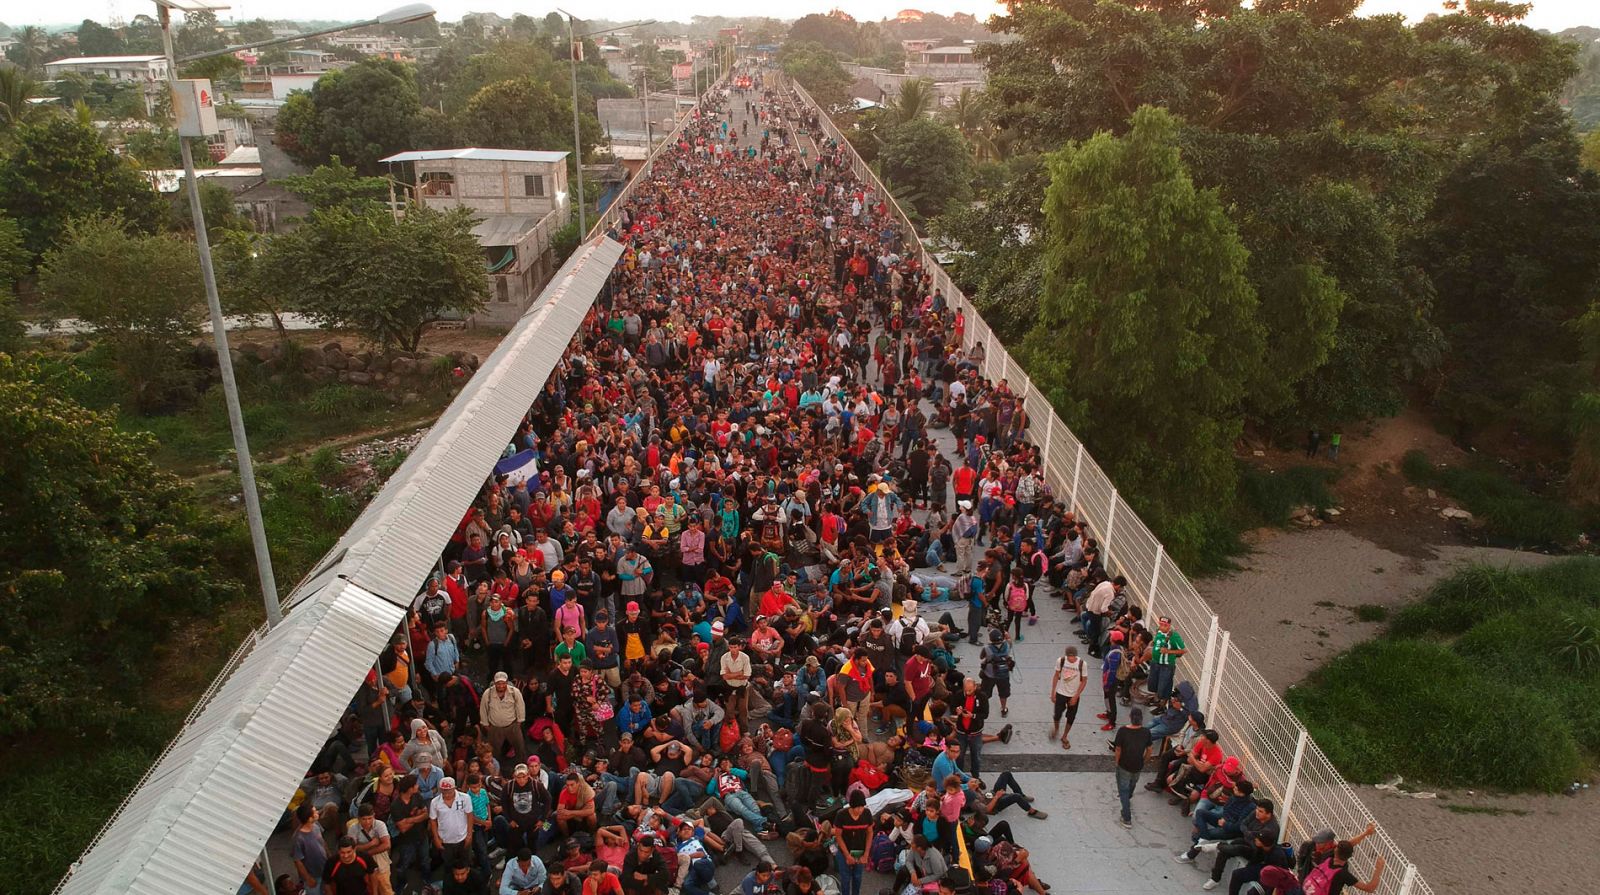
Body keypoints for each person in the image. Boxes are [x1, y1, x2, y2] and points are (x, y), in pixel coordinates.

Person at [1111, 707, 1151, 829]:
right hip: (1138, 765)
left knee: (1123, 790)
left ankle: (1127, 817)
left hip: (1124, 765)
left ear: (1130, 717)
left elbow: (1118, 749)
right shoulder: (1146, 732)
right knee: (1132, 783)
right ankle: (1128, 797)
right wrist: (1144, 761)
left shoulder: (1123, 731)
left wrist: (1117, 762)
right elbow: (1149, 749)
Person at [832, 790, 874, 895]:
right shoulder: (841, 815)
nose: (860, 810)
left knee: (857, 877)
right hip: (844, 852)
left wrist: (866, 854)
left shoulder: (867, 814)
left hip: (860, 851)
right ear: (851, 806)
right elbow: (838, 836)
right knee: (845, 879)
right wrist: (847, 855)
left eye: (862, 807)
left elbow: (870, 833)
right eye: (858, 807)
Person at [430, 777, 474, 872]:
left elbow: (469, 815)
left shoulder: (465, 798)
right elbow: (433, 820)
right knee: (448, 865)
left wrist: (469, 835)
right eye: (444, 792)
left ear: (455, 788)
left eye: (449, 792)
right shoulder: (434, 802)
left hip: (463, 838)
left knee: (466, 863)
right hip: (446, 841)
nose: (446, 795)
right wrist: (436, 838)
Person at [1049, 645, 1087, 749]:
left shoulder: (1082, 664)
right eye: (1069, 656)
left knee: (1071, 717)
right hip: (1061, 692)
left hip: (1073, 695)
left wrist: (1076, 696)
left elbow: (1084, 681)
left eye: (1073, 656)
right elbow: (1056, 676)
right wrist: (1053, 692)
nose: (1071, 659)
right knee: (1057, 715)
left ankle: (1064, 736)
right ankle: (1056, 729)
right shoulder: (1060, 661)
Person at [1149, 616, 1186, 704]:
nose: (1162, 627)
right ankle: (1156, 698)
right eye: (1161, 624)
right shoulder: (1159, 631)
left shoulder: (1174, 636)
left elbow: (1183, 650)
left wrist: (1168, 651)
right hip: (1155, 662)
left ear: (1169, 626)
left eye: (1164, 625)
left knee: (1164, 686)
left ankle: (1162, 703)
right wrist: (1153, 643)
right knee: (1153, 683)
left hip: (1166, 665)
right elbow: (1156, 640)